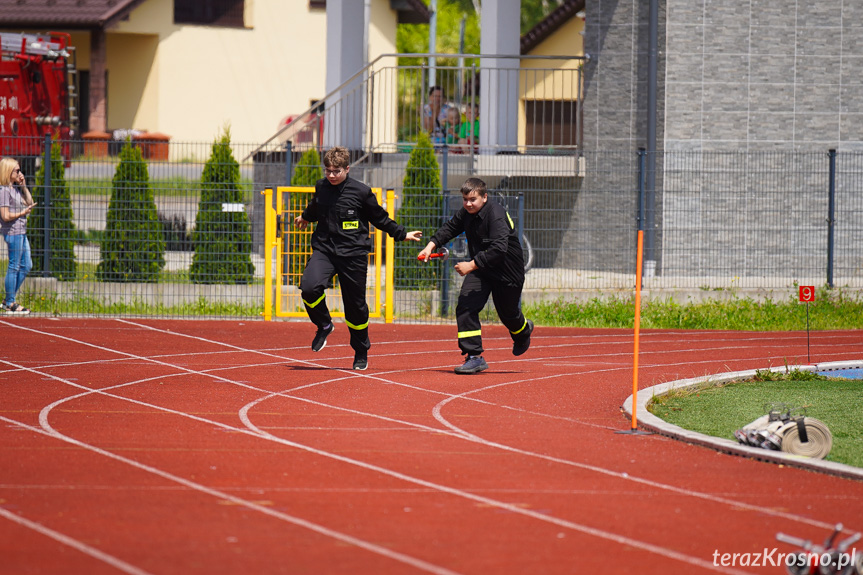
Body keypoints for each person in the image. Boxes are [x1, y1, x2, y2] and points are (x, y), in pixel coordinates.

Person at [294, 146, 422, 370]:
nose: (332, 175)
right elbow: (316, 207)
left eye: (336, 171)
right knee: (309, 287)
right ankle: (324, 324)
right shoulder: (321, 187)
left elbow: (379, 217)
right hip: (325, 250)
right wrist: (305, 217)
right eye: (328, 171)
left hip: (353, 255)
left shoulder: (361, 192)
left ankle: (361, 350)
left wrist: (402, 234)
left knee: (355, 307)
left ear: (347, 169)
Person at [417, 177, 533, 374]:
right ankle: (474, 357)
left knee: (508, 315)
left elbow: (499, 249)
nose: (468, 204)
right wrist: (431, 246)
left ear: (484, 197)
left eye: (472, 199)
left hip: (507, 271)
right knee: (465, 306)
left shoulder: (495, 214)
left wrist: (470, 264)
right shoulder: (467, 212)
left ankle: (522, 331)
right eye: (465, 199)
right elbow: (451, 227)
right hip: (482, 269)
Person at [0, 157, 36, 316]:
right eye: (16, 170)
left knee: (27, 265)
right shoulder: (3, 191)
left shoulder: (14, 189)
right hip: (13, 232)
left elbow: (30, 202)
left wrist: (24, 186)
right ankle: (10, 302)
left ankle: (8, 300)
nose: (19, 173)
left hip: (22, 231)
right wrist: (22, 213)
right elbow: (5, 216)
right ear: (8, 172)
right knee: (14, 266)